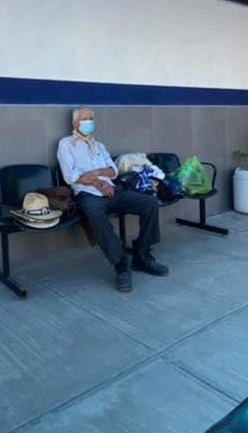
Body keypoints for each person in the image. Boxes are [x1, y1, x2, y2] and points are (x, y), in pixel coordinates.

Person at [57, 106, 167, 293]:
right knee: (98, 219)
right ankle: (121, 266)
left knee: (149, 203)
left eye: (91, 119)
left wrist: (96, 173)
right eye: (85, 119)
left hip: (112, 191)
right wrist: (97, 181)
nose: (89, 123)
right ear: (75, 123)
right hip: (87, 194)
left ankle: (142, 255)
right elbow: (70, 176)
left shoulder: (99, 145)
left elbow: (113, 171)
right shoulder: (66, 144)